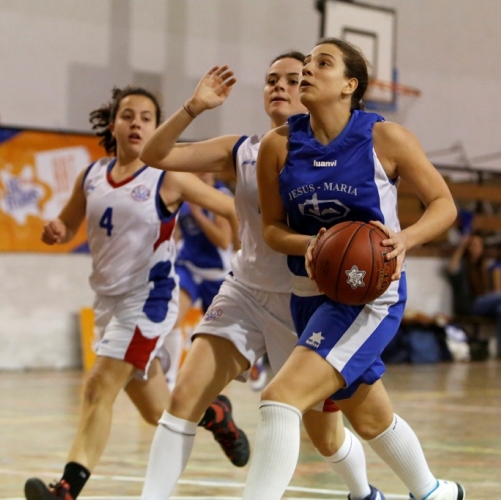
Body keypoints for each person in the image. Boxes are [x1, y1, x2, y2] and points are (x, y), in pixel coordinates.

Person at [138, 54, 387, 500]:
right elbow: (154, 155)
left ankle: (364, 493)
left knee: (326, 436)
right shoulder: (242, 149)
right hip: (245, 291)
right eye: (272, 80)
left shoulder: (340, 153)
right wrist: (194, 107)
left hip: (305, 301)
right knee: (183, 401)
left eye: (293, 79)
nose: (280, 86)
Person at [250, 37, 464, 500]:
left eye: (322, 63)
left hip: (367, 293)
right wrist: (314, 244)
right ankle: (433, 492)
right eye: (307, 62)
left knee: (280, 399)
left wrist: (405, 239)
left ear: (350, 85)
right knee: (366, 417)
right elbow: (272, 229)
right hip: (307, 293)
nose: (307, 69)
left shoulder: (385, 138)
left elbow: (444, 205)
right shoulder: (278, 145)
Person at [25, 86, 245, 500]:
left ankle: (67, 489)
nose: (136, 124)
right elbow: (68, 224)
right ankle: (214, 413)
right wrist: (57, 230)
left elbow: (231, 207)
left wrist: (251, 243)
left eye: (147, 118)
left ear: (158, 128)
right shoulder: (92, 175)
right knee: (157, 412)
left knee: (98, 387)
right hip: (108, 305)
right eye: (128, 115)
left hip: (148, 301)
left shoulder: (167, 176)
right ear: (113, 124)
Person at [166, 171, 234, 387]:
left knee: (222, 337)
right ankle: (169, 380)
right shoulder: (184, 193)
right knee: (172, 318)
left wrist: (199, 214)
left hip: (216, 274)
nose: (202, 170)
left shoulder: (221, 196)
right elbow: (178, 232)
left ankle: (253, 367)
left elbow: (224, 241)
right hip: (188, 266)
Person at [447, 233, 501, 359]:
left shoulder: (481, 266)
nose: (476, 249)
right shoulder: (463, 265)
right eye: (473, 245)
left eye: (478, 245)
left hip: (480, 303)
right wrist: (461, 247)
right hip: (468, 304)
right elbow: (451, 268)